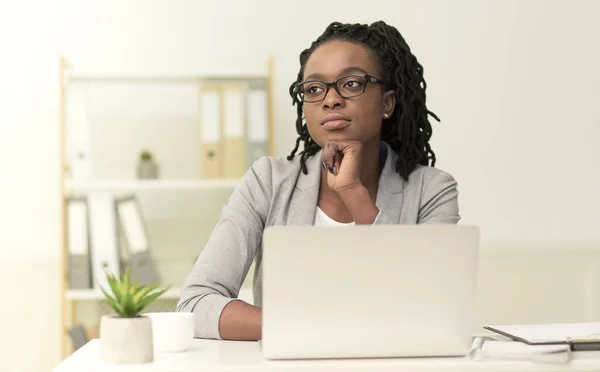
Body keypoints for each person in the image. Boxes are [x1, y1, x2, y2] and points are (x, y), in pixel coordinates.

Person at [176, 20, 460, 341]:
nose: (330, 99)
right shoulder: (268, 181)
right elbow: (195, 304)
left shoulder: (431, 191)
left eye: (351, 83)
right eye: (314, 88)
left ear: (387, 103)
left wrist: (353, 192)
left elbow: (432, 309)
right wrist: (308, 326)